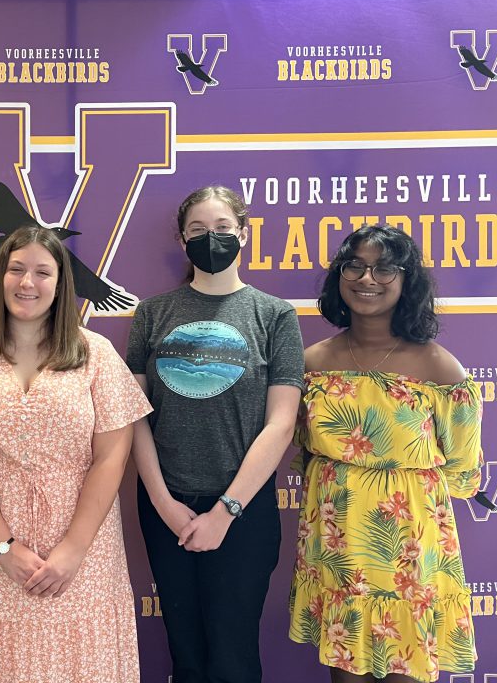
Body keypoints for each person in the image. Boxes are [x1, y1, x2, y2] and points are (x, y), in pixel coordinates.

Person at [0, 224, 151, 683]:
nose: (28, 283)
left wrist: (73, 549)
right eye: (16, 270)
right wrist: (3, 547)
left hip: (84, 553)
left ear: (62, 284)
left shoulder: (96, 354)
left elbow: (112, 457)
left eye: (43, 272)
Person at [288, 224, 482, 683]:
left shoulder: (438, 365)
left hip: (409, 540)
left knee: (405, 667)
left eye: (384, 268)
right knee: (345, 670)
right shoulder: (312, 361)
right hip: (337, 533)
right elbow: (300, 448)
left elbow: (461, 464)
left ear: (406, 279)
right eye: (354, 265)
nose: (366, 278)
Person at [127, 185, 304, 683]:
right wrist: (163, 502)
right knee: (187, 654)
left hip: (243, 511)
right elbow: (135, 415)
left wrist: (226, 511)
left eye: (223, 229)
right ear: (183, 241)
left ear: (243, 234)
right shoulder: (153, 313)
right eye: (198, 231)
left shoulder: (274, 316)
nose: (212, 239)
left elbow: (281, 422)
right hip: (167, 505)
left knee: (233, 658)